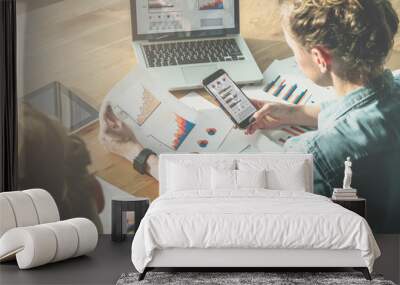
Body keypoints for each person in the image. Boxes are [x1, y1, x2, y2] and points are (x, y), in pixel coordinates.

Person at [99, 0, 400, 233]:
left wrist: (136, 152)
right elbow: (368, 113)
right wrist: (295, 113)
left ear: (320, 58)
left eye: (293, 49)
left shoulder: (314, 154)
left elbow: (226, 200)